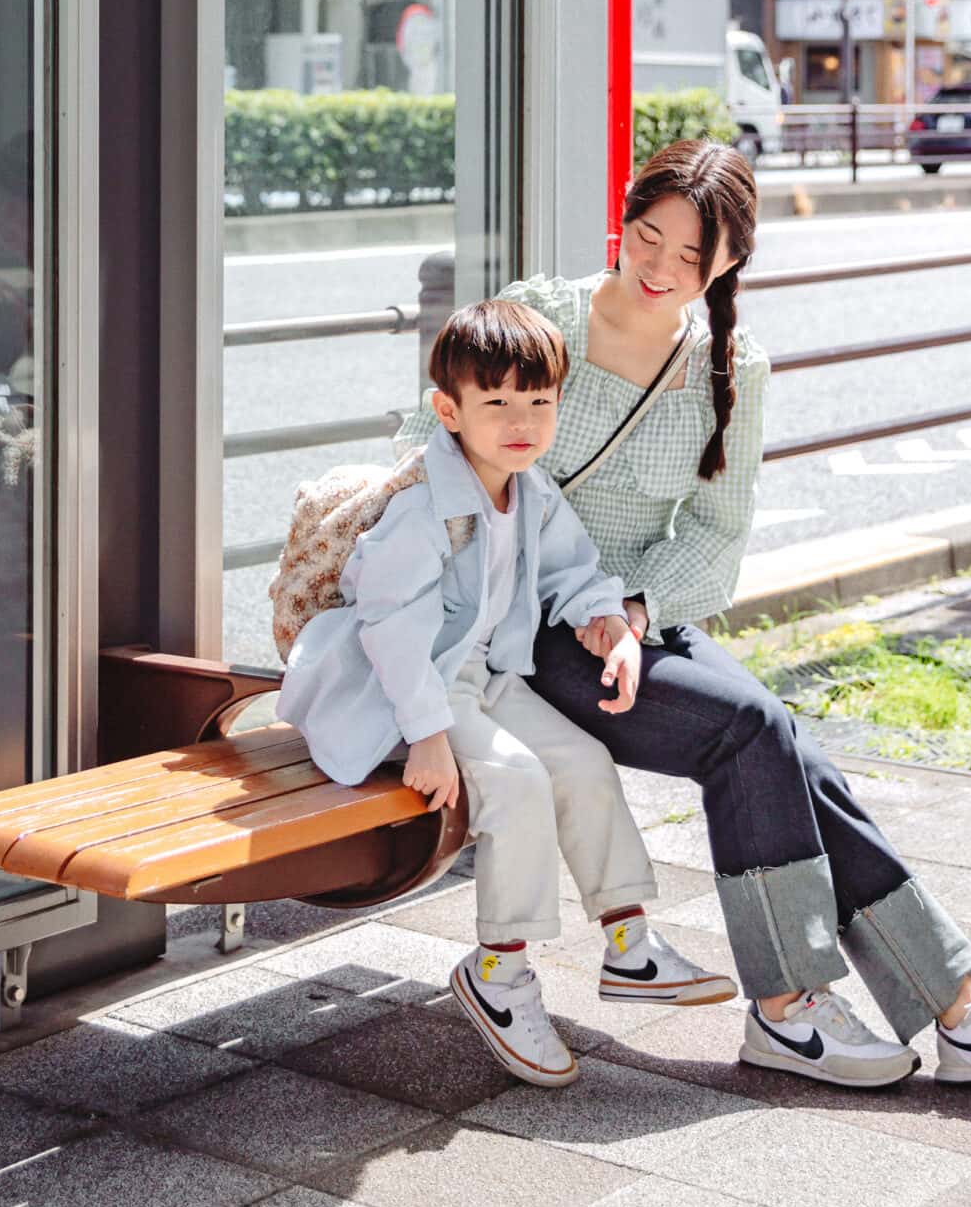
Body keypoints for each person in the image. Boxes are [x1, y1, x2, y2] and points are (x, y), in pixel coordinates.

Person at [398, 138, 971, 1091]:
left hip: (640, 619)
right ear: (625, 220)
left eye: (692, 257)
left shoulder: (731, 364)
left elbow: (717, 542)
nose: (660, 269)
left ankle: (960, 1006)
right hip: (523, 629)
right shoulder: (540, 315)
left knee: (788, 749)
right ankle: (805, 1006)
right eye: (648, 237)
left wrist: (634, 611)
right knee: (756, 730)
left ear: (729, 263)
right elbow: (419, 450)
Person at [278, 295, 734, 1089]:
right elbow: (390, 634)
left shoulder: (529, 490)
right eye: (496, 403)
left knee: (584, 759)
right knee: (519, 781)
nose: (520, 420)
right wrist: (424, 733)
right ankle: (499, 970)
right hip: (402, 693)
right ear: (447, 410)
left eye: (539, 401)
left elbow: (572, 570)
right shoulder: (423, 510)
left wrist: (606, 623)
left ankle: (629, 944)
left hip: (480, 678)